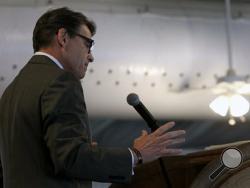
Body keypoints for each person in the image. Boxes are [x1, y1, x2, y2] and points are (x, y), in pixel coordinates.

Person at [0, 7, 185, 188]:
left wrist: (85, 150)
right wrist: (136, 154)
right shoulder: (61, 81)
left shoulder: (12, 90)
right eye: (88, 44)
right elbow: (71, 159)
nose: (91, 57)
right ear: (63, 37)